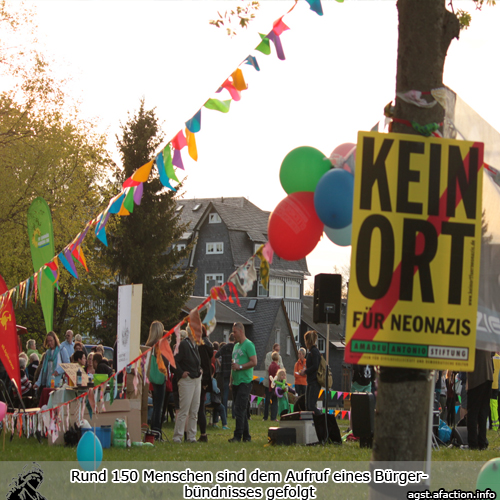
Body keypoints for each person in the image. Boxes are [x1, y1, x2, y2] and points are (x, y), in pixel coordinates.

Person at [228, 322, 257, 443]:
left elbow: (254, 361)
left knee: (239, 408)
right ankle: (246, 436)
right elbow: (233, 364)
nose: (233, 334)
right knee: (241, 409)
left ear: (240, 331)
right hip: (236, 381)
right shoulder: (235, 346)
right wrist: (231, 380)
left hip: (245, 381)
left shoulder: (248, 345)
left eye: (234, 332)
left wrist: (240, 367)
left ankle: (237, 435)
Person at [173, 325, 202, 443]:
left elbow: (196, 361)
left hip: (196, 379)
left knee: (194, 410)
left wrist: (199, 369)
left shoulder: (195, 346)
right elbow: (174, 361)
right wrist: (181, 373)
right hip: (187, 380)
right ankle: (177, 436)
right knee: (184, 410)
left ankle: (191, 436)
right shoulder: (184, 345)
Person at [465, 349, 494, 450]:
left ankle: (473, 443)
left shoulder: (474, 337)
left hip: (477, 377)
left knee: (473, 412)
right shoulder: (485, 337)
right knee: (483, 411)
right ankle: (482, 442)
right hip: (488, 375)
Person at [145, 320, 168, 436]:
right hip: (160, 376)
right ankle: (156, 430)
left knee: (155, 404)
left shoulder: (148, 345)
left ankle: (152, 429)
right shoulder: (161, 344)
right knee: (159, 405)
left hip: (151, 377)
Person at [197, 325, 214, 442]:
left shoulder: (201, 347)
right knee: (200, 408)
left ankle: (203, 434)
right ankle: (202, 434)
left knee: (199, 408)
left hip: (201, 380)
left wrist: (204, 382)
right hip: (204, 380)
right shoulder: (207, 345)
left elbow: (206, 366)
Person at [299, 330, 321, 416]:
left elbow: (315, 366)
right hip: (310, 381)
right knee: (308, 406)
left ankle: (321, 419)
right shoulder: (312, 352)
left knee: (311, 405)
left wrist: (305, 371)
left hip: (314, 381)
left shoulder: (314, 351)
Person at [263, 343, 283, 421]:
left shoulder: (280, 357)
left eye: (278, 350)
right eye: (276, 350)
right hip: (269, 382)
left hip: (276, 383)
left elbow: (282, 367)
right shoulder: (268, 355)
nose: (277, 351)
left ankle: (273, 417)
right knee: (267, 400)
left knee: (275, 400)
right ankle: (265, 416)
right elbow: (267, 366)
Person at [216, 333, 235, 417]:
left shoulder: (224, 347)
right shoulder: (236, 347)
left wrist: (220, 364)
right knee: (235, 392)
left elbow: (216, 355)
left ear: (229, 339)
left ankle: (225, 413)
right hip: (233, 371)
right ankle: (234, 414)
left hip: (225, 371)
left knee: (225, 393)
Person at [267, 352, 280, 421]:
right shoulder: (277, 367)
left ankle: (272, 416)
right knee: (275, 402)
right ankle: (274, 417)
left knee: (272, 402)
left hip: (271, 386)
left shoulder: (270, 366)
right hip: (275, 386)